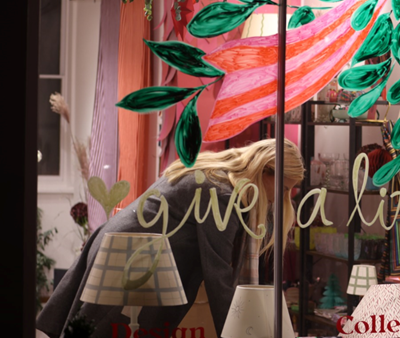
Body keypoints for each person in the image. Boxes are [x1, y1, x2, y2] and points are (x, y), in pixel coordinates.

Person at [36, 139, 305, 338]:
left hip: (122, 243)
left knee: (97, 327)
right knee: (101, 330)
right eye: (283, 188)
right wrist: (236, 333)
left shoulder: (214, 173)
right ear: (263, 170)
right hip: (134, 255)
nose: (282, 197)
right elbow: (218, 274)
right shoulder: (222, 194)